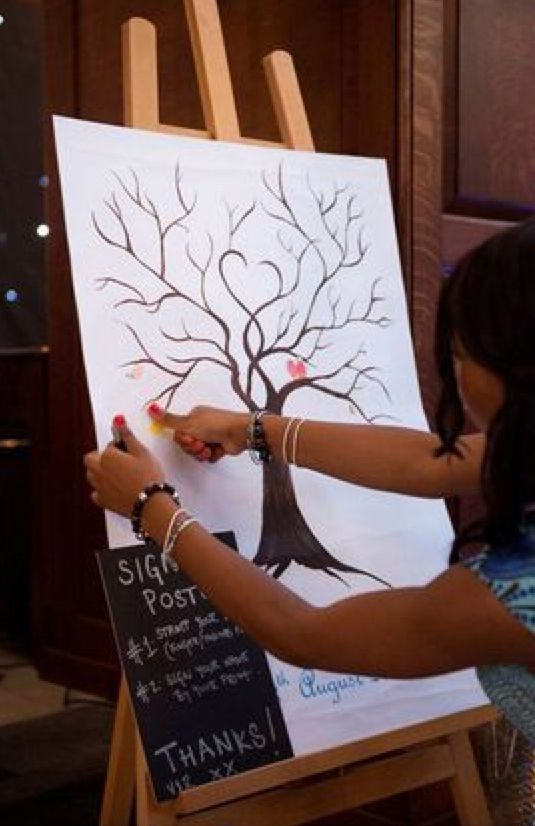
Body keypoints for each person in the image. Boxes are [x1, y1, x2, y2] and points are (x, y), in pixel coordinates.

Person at [84, 218, 535, 744]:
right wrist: (252, 428)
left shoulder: (508, 598)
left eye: (461, 353)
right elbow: (430, 464)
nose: (456, 375)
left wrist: (151, 507)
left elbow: (304, 633)